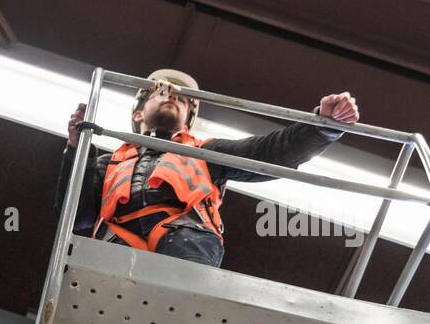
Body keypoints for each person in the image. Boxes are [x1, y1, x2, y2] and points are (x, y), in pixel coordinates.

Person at [56, 68, 360, 268]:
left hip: (185, 242)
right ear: (138, 113)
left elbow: (272, 153)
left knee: (180, 318)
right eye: (161, 91)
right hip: (115, 244)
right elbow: (73, 214)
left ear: (188, 119)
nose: (172, 95)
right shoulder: (106, 164)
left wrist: (324, 126)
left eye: (183, 98)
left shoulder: (207, 153)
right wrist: (76, 148)